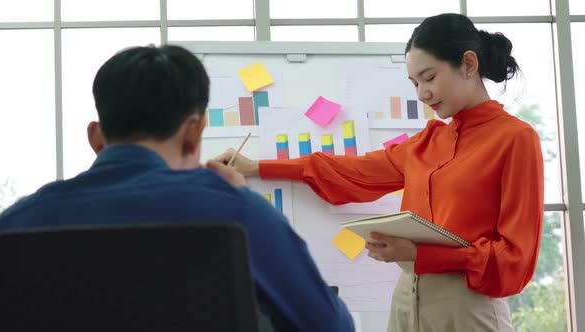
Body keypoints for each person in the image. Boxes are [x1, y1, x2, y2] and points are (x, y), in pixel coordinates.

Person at [217, 13, 544, 332]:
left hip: (467, 310)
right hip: (405, 303)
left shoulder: (515, 138)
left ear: (469, 64)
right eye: (415, 83)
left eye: (429, 78)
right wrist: (255, 167)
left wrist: (421, 254)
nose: (422, 94)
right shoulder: (427, 143)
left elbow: (515, 259)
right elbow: (348, 172)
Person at [0, 45, 355, 332]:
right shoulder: (237, 213)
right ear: (194, 132)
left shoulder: (16, 222)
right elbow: (330, 326)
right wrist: (240, 197)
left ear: (95, 137)